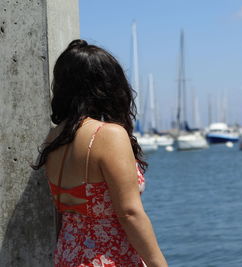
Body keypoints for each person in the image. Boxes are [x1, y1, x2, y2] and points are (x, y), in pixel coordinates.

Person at [32, 39, 168, 267]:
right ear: (106, 85)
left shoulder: (54, 137)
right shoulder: (107, 135)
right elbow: (129, 213)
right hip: (108, 258)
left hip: (68, 255)